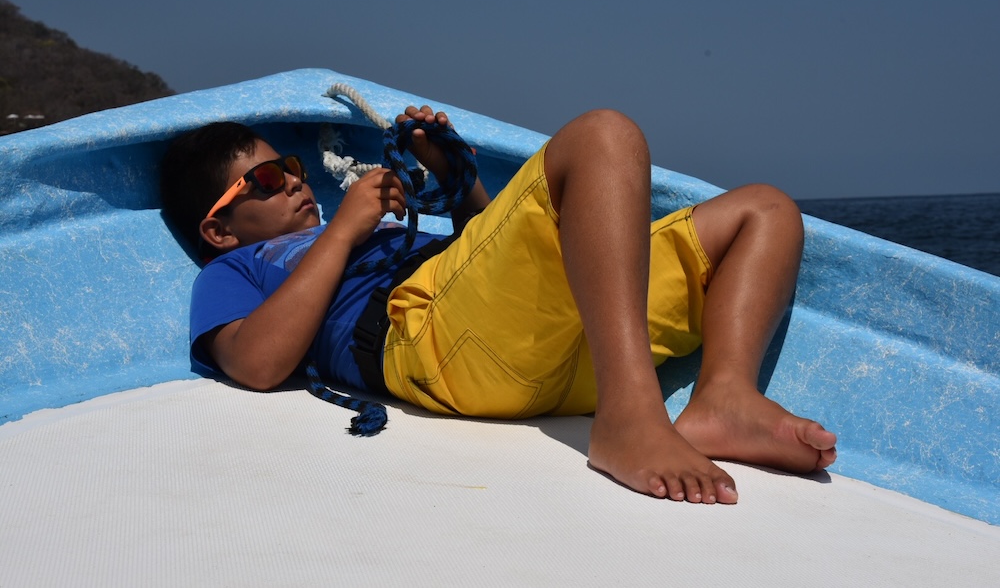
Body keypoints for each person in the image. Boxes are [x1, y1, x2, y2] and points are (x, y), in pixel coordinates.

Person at [160, 105, 837, 505]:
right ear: (219, 229)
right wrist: (343, 231)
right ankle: (631, 414)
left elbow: (495, 265)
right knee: (603, 134)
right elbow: (255, 362)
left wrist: (458, 182)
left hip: (564, 342)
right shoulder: (233, 270)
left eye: (295, 171)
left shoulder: (364, 231)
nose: (295, 186)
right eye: (267, 181)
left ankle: (723, 397)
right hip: (423, 340)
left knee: (764, 211)